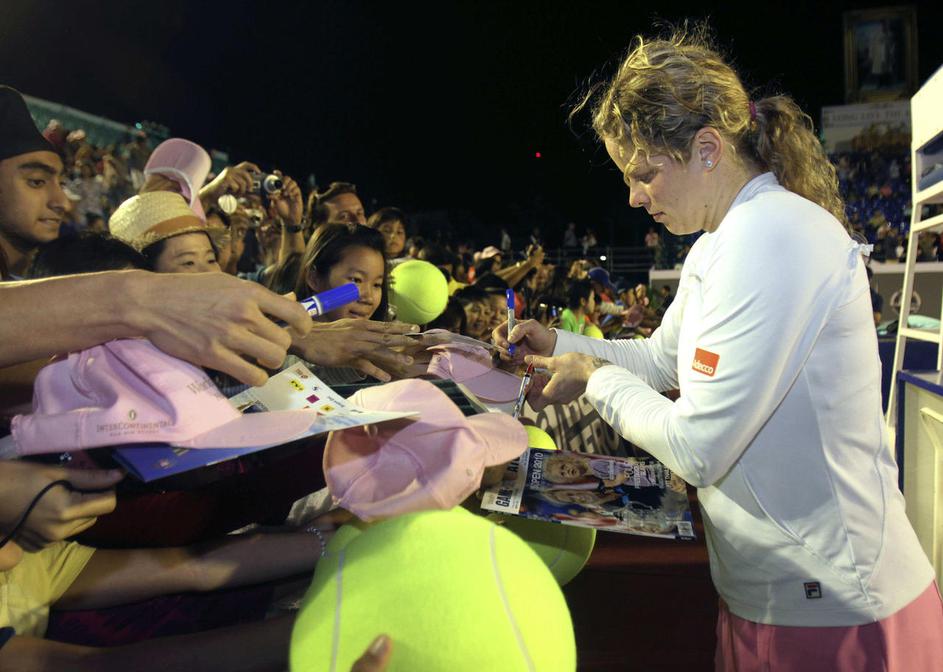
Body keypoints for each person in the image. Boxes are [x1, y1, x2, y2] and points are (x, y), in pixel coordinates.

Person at [496, 28, 942, 671]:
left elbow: (700, 447)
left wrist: (592, 376)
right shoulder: (719, 243)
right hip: (769, 594)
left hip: (837, 608)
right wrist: (560, 346)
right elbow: (661, 361)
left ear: (707, 149)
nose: (633, 196)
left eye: (644, 173)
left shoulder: (774, 235)